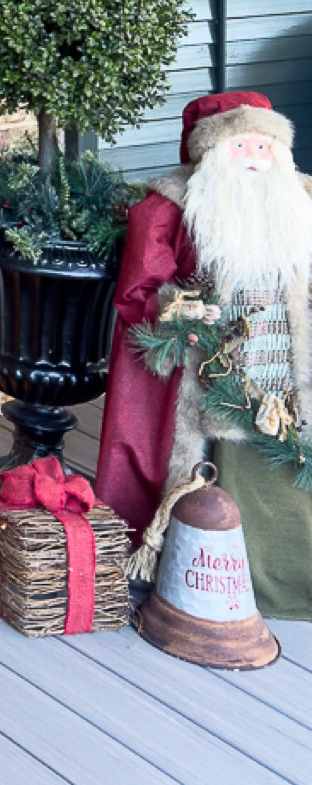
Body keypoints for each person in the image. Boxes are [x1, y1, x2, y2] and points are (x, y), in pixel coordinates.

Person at [95, 89, 312, 619]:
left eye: (266, 146)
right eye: (244, 145)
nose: (257, 158)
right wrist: (179, 307)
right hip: (209, 371)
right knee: (219, 464)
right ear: (212, 153)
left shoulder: (299, 199)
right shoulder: (167, 205)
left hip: (285, 364)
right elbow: (141, 289)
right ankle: (217, 566)